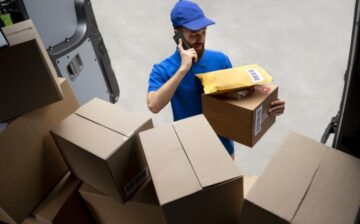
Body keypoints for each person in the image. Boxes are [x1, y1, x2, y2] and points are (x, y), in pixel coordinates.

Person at [147, 0, 285, 159]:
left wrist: (269, 105)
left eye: (203, 32)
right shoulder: (163, 69)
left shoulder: (220, 60)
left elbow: (240, 98)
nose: (200, 39)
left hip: (224, 152)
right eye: (193, 35)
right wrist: (183, 69)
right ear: (177, 34)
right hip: (188, 154)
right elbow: (153, 105)